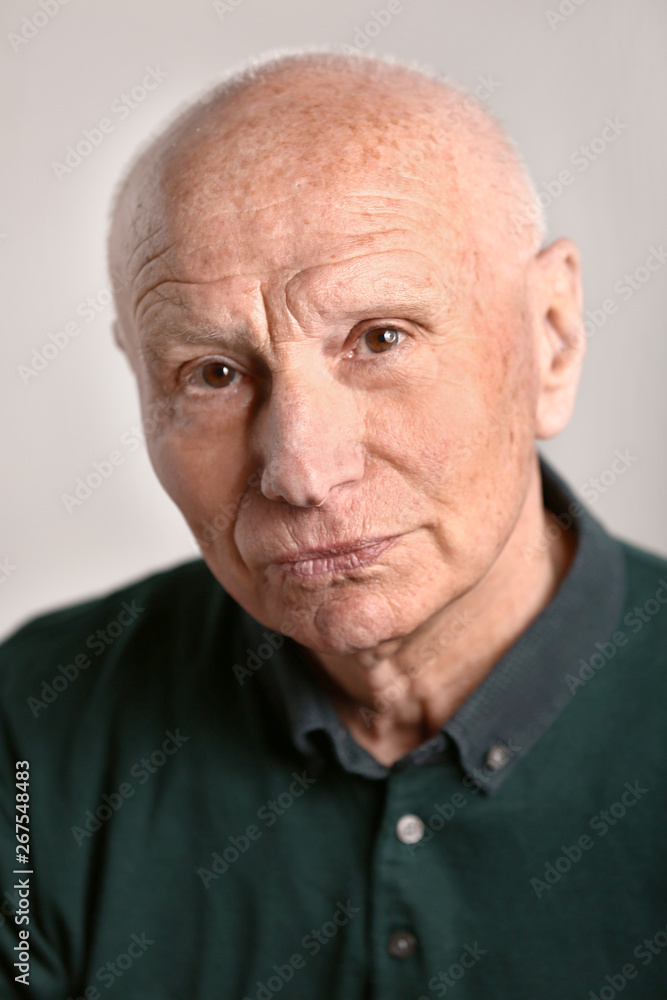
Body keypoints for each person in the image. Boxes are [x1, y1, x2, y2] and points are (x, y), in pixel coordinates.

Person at [1, 50, 666, 1000]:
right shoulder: (36, 733)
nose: (301, 473)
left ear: (551, 336)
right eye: (213, 374)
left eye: (380, 339)